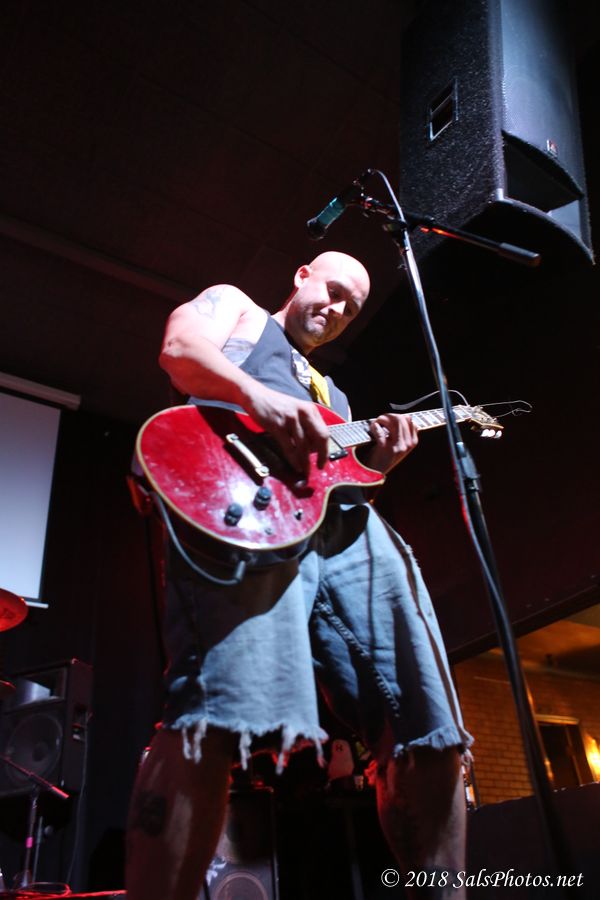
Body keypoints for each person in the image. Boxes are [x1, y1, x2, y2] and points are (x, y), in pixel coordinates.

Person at [126, 251, 472, 899]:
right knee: (214, 716)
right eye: (333, 290)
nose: (337, 310)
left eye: (352, 308)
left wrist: (381, 467)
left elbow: (333, 488)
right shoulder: (237, 307)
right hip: (238, 510)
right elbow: (178, 349)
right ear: (302, 275)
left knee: (425, 718)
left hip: (339, 531)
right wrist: (258, 397)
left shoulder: (333, 395)